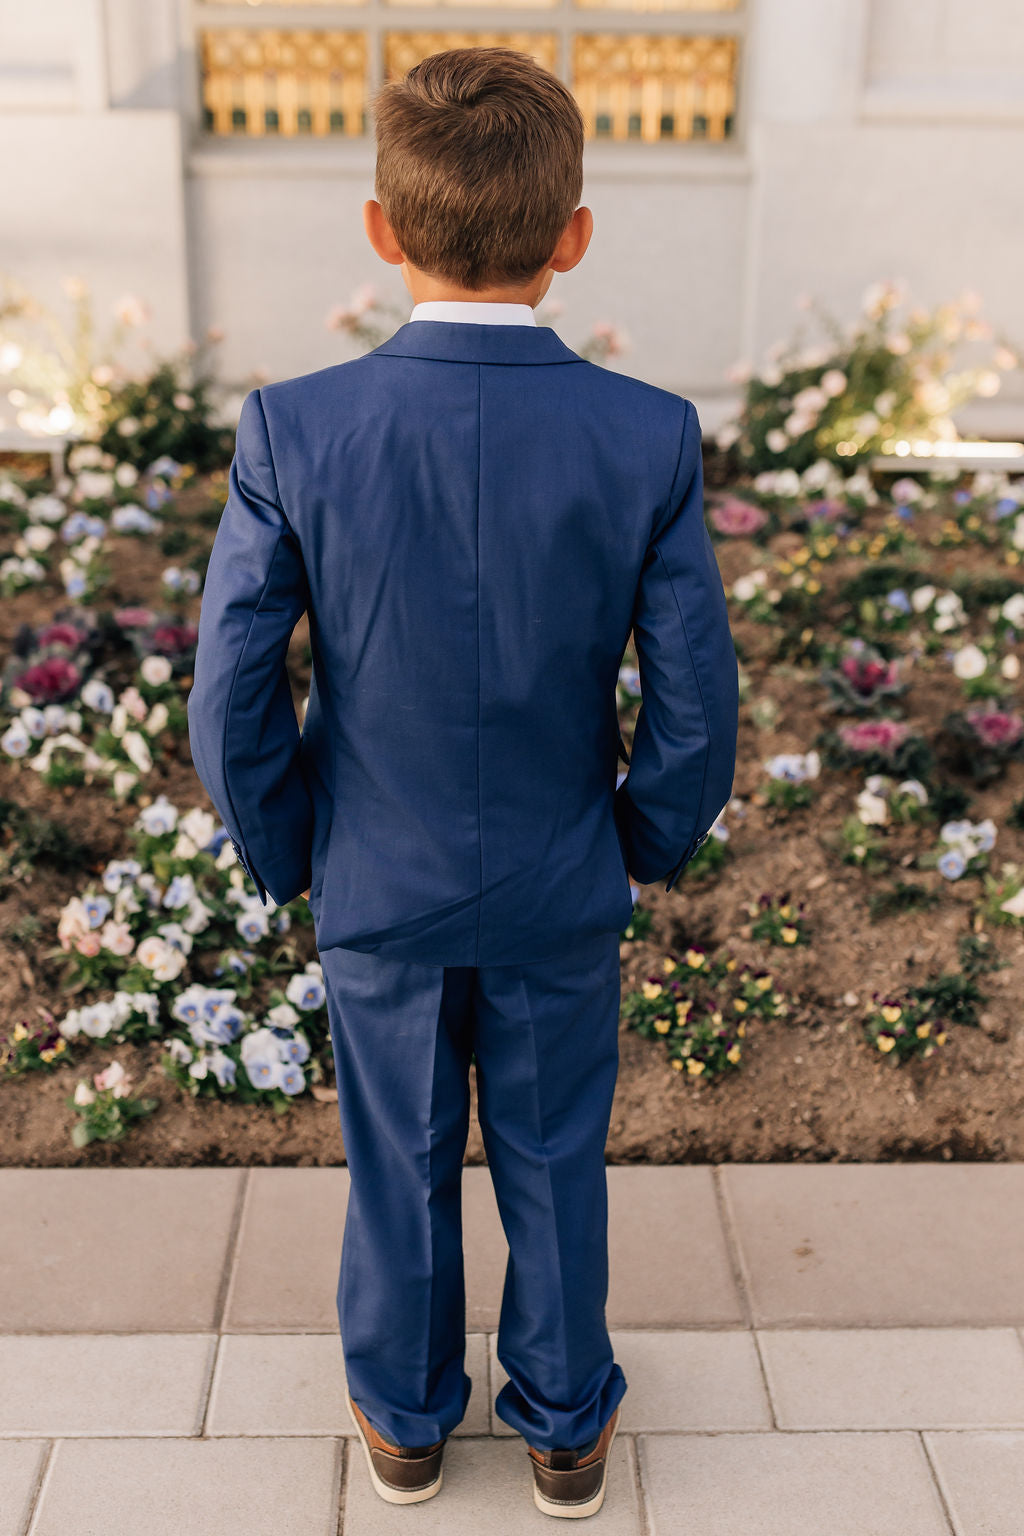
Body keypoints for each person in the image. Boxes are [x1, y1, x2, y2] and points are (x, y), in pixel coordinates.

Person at [187, 44, 738, 1519]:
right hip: (565, 872)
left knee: (399, 1157)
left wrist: (292, 845)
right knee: (559, 1153)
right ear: (573, 240)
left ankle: (408, 1419)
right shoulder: (647, 434)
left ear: (381, 228)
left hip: (378, 872)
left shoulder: (295, 429)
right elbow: (695, 694)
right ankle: (564, 1422)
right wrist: (642, 847)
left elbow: (234, 684)